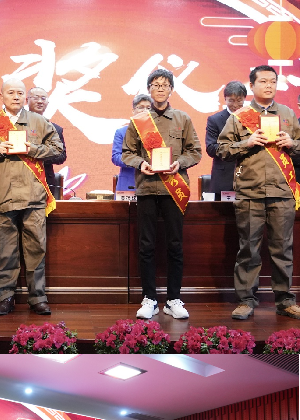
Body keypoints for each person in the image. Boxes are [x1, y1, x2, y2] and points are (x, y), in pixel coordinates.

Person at [0, 79, 63, 316]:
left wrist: (32, 149)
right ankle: (5, 297)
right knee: (4, 251)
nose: (16, 96)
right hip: (3, 196)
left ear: (25, 97)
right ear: (1, 96)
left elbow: (58, 150)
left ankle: (38, 297)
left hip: (34, 195)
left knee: (36, 249)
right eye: (11, 92)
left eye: (20, 93)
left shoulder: (39, 122)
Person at [216, 65, 300, 321]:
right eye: (263, 81)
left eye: (273, 81)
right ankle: (245, 300)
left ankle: (285, 300)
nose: (269, 85)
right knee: (249, 249)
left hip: (282, 191)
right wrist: (247, 142)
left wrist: (292, 144)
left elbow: (299, 146)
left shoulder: (287, 114)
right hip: (250, 191)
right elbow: (221, 149)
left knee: (282, 249)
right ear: (251, 86)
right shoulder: (239, 116)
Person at [123, 69, 202, 321]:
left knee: (175, 245)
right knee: (146, 245)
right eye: (156, 84)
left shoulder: (182, 118)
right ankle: (149, 299)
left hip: (174, 190)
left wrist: (180, 163)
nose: (160, 88)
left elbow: (195, 151)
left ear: (171, 90)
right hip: (147, 187)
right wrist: (140, 163)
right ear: (149, 89)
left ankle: (173, 299)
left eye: (165, 85)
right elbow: (127, 153)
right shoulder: (138, 121)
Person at [206, 81, 249, 195]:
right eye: (231, 100)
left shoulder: (252, 118)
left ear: (244, 98)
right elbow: (211, 148)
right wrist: (235, 148)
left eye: (239, 100)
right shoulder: (214, 120)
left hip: (249, 176)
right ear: (225, 99)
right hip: (224, 178)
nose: (235, 105)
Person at [26, 88, 68, 197]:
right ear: (27, 100)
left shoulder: (55, 129)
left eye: (43, 98)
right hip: (22, 179)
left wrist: (37, 154)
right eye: (36, 98)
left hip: (45, 181)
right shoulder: (17, 125)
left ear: (47, 103)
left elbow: (61, 156)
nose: (40, 101)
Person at [112, 94, 153, 192]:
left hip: (153, 183)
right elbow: (116, 157)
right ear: (133, 111)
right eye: (141, 107)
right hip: (129, 183)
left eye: (148, 108)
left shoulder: (158, 133)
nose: (145, 111)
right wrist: (138, 162)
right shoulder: (122, 132)